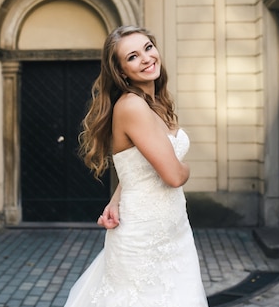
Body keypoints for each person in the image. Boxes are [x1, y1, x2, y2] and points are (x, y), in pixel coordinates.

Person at [64, 25, 208, 307]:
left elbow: (135, 166)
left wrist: (115, 199)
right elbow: (174, 176)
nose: (146, 58)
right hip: (144, 235)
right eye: (132, 57)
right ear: (121, 72)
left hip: (173, 229)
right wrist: (186, 167)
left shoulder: (157, 103)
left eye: (148, 48)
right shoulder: (132, 106)